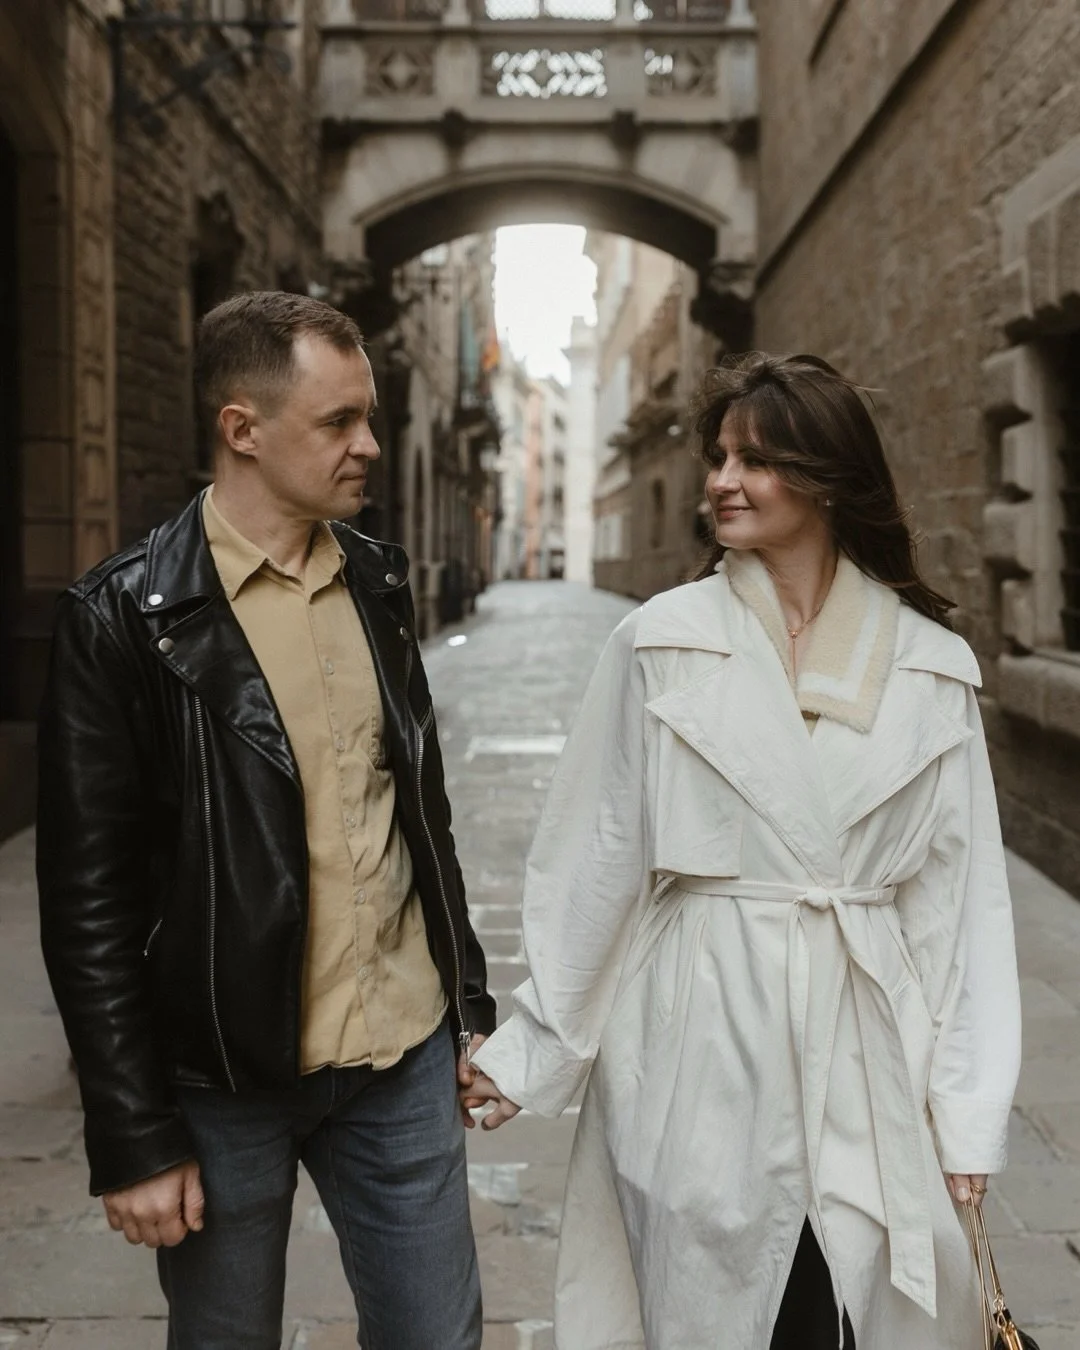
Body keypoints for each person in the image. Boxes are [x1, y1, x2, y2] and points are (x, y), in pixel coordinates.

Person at [465, 353, 1022, 1350]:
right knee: (715, 1298)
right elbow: (598, 853)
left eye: (755, 460)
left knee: (855, 1301)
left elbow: (960, 902)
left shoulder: (931, 666)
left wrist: (967, 1111)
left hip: (868, 1031)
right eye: (720, 457)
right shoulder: (660, 642)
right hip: (698, 1033)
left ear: (827, 477)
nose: (722, 480)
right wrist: (533, 1050)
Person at [37, 291, 495, 1350]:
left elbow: (418, 812)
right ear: (242, 428)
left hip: (400, 1059)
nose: (369, 446)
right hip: (221, 1079)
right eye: (339, 422)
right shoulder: (121, 618)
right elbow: (88, 904)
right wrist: (132, 1135)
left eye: (368, 417)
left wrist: (465, 1000)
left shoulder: (376, 580)